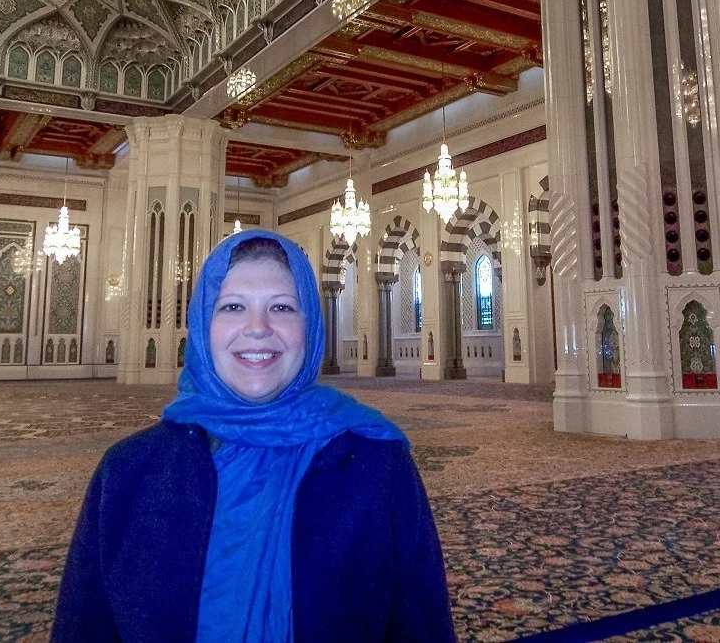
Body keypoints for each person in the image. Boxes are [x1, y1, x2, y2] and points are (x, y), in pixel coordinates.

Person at [53, 229, 454, 643]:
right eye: (232, 307)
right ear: (203, 324)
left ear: (311, 325)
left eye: (282, 307)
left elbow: (421, 626)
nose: (258, 327)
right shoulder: (128, 475)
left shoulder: (376, 465)